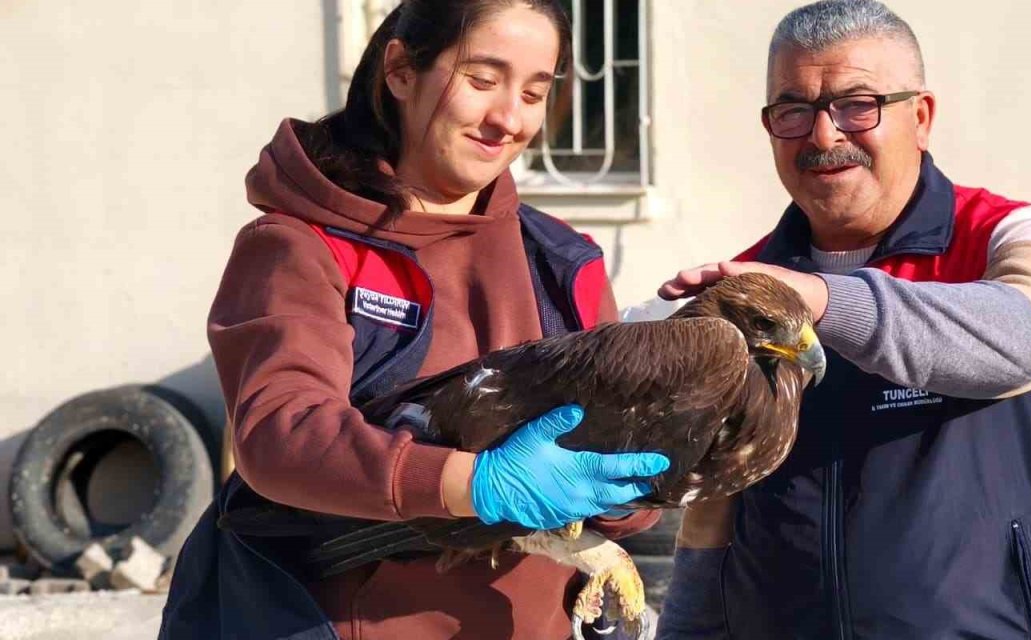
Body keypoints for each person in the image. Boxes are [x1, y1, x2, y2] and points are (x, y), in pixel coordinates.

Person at [158, 2, 669, 639]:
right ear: (400, 70)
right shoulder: (302, 246)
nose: (508, 118)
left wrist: (630, 493)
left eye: (535, 93)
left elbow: (625, 465)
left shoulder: (564, 263)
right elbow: (281, 436)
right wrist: (473, 483)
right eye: (482, 80)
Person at [655, 1, 1031, 638]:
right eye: (794, 110)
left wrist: (822, 301)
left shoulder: (1012, 235)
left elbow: (1025, 339)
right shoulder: (748, 285)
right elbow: (713, 514)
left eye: (859, 105)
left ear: (922, 116)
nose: (824, 137)